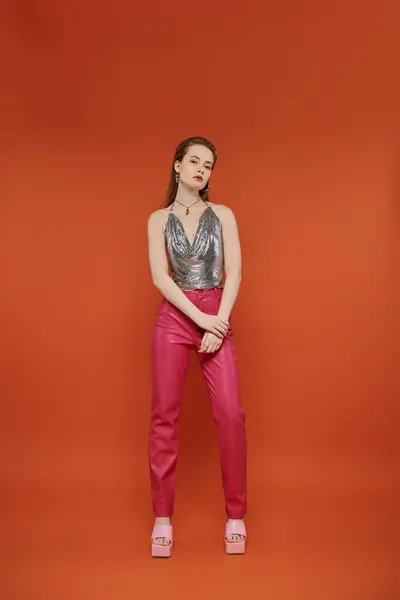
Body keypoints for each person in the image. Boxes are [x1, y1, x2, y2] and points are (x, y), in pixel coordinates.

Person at [147, 136, 247, 558]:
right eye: (194, 161)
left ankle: (236, 517)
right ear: (176, 166)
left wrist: (217, 323)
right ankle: (162, 519)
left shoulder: (222, 214)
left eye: (208, 165)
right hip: (175, 317)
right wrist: (200, 320)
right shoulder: (157, 219)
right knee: (164, 417)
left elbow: (235, 271)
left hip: (216, 312)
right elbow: (160, 278)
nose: (201, 169)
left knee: (230, 414)